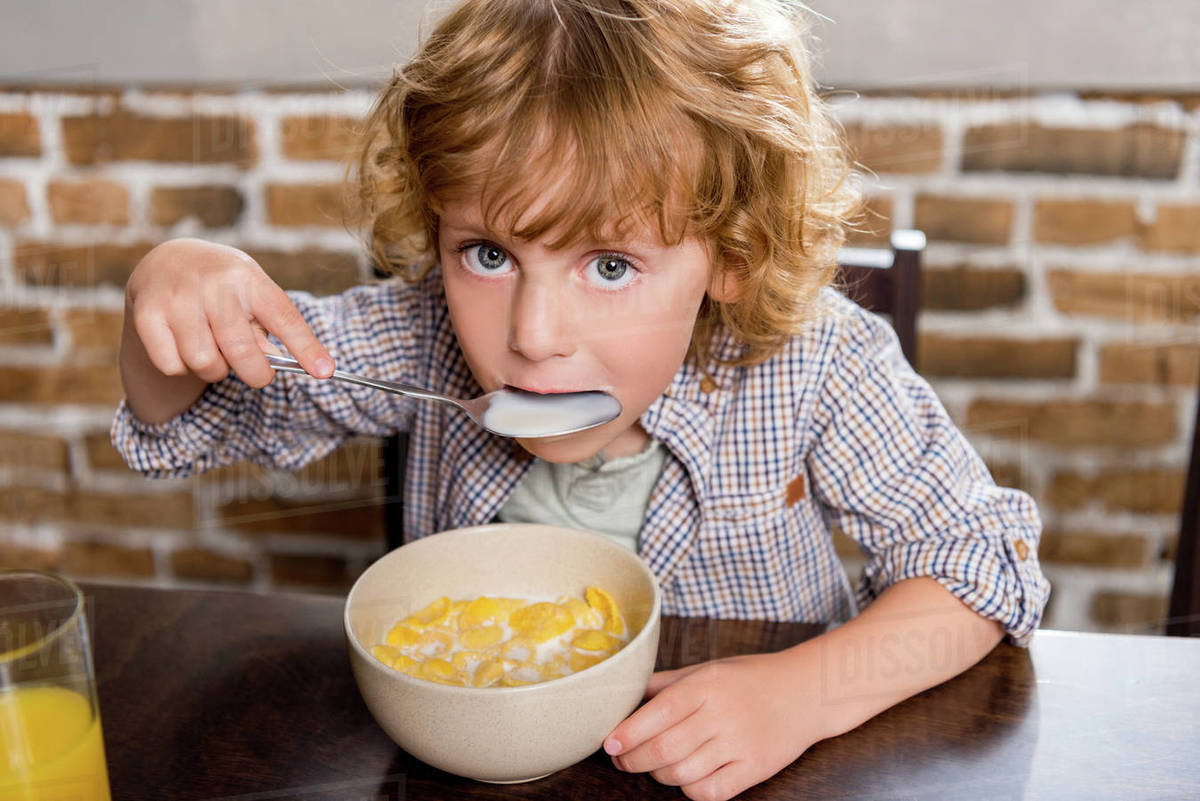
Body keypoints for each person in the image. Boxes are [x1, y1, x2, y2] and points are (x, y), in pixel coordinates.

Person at [112, 1, 1051, 798]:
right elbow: (195, 416)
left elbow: (982, 564)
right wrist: (171, 294)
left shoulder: (814, 365)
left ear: (729, 250)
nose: (533, 333)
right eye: (488, 255)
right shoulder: (421, 334)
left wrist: (801, 694)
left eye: (609, 264)